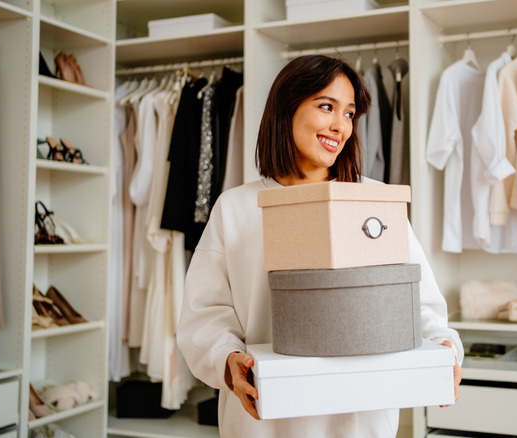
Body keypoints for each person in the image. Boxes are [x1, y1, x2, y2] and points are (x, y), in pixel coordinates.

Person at [177, 54, 463, 438]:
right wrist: (228, 359)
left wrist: (444, 348)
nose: (339, 125)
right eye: (326, 107)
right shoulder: (236, 207)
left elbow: (419, 304)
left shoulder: (375, 201)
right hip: (266, 418)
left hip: (361, 418)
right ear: (286, 108)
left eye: (348, 113)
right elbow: (205, 315)